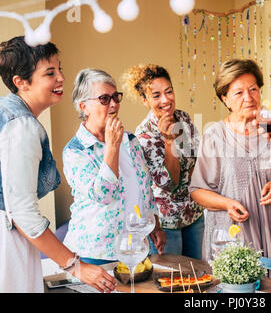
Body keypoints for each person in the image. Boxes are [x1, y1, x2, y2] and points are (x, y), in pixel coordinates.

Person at [0, 36, 116, 293]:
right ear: (21, 82)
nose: (61, 78)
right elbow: (21, 212)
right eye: (50, 73)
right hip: (8, 244)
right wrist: (75, 265)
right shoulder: (21, 126)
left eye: (59, 69)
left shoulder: (8, 113)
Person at [189, 59, 271, 262]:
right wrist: (227, 204)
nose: (248, 98)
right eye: (238, 93)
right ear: (225, 99)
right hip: (230, 237)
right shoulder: (214, 135)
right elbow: (197, 191)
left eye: (253, 89)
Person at [62, 68, 166, 265]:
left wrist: (155, 226)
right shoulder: (75, 151)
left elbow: (145, 188)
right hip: (95, 255)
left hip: (134, 249)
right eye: (104, 99)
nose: (114, 104)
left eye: (116, 97)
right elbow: (104, 195)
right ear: (83, 107)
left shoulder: (131, 140)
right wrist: (112, 147)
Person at [121, 64, 204, 260]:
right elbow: (170, 184)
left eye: (169, 91)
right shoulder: (144, 136)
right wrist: (169, 142)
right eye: (156, 95)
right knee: (172, 281)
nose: (166, 100)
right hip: (166, 224)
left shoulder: (183, 118)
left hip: (194, 214)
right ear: (144, 100)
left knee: (199, 275)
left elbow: (197, 161)